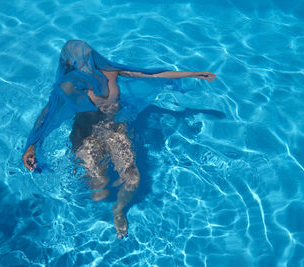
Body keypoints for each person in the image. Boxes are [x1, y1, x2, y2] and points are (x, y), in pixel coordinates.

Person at [22, 40, 216, 238]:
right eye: (80, 61)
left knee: (133, 180)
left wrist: (192, 73)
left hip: (116, 131)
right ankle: (90, 219)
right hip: (85, 136)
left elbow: (153, 74)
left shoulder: (110, 71)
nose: (86, 64)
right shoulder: (69, 86)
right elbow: (48, 113)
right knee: (99, 191)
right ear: (70, 65)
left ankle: (119, 210)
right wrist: (31, 146)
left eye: (88, 58)